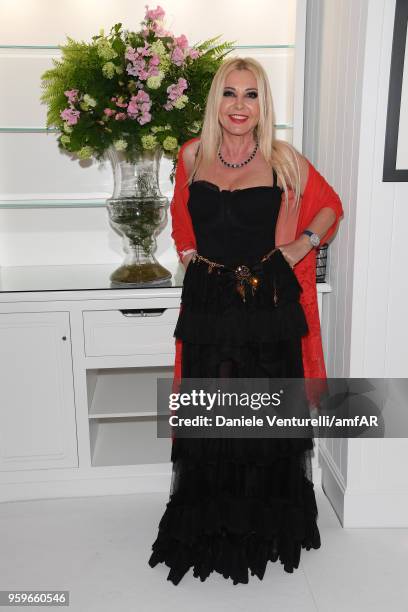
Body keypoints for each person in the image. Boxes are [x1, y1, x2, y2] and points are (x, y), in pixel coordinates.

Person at [148, 57, 344, 585]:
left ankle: (261, 524)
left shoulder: (282, 159)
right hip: (209, 303)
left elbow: (330, 207)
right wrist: (187, 252)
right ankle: (213, 521)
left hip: (265, 305)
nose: (239, 106)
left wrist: (302, 245)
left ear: (263, 105)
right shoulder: (193, 155)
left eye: (251, 95)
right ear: (217, 101)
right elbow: (180, 213)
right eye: (230, 94)